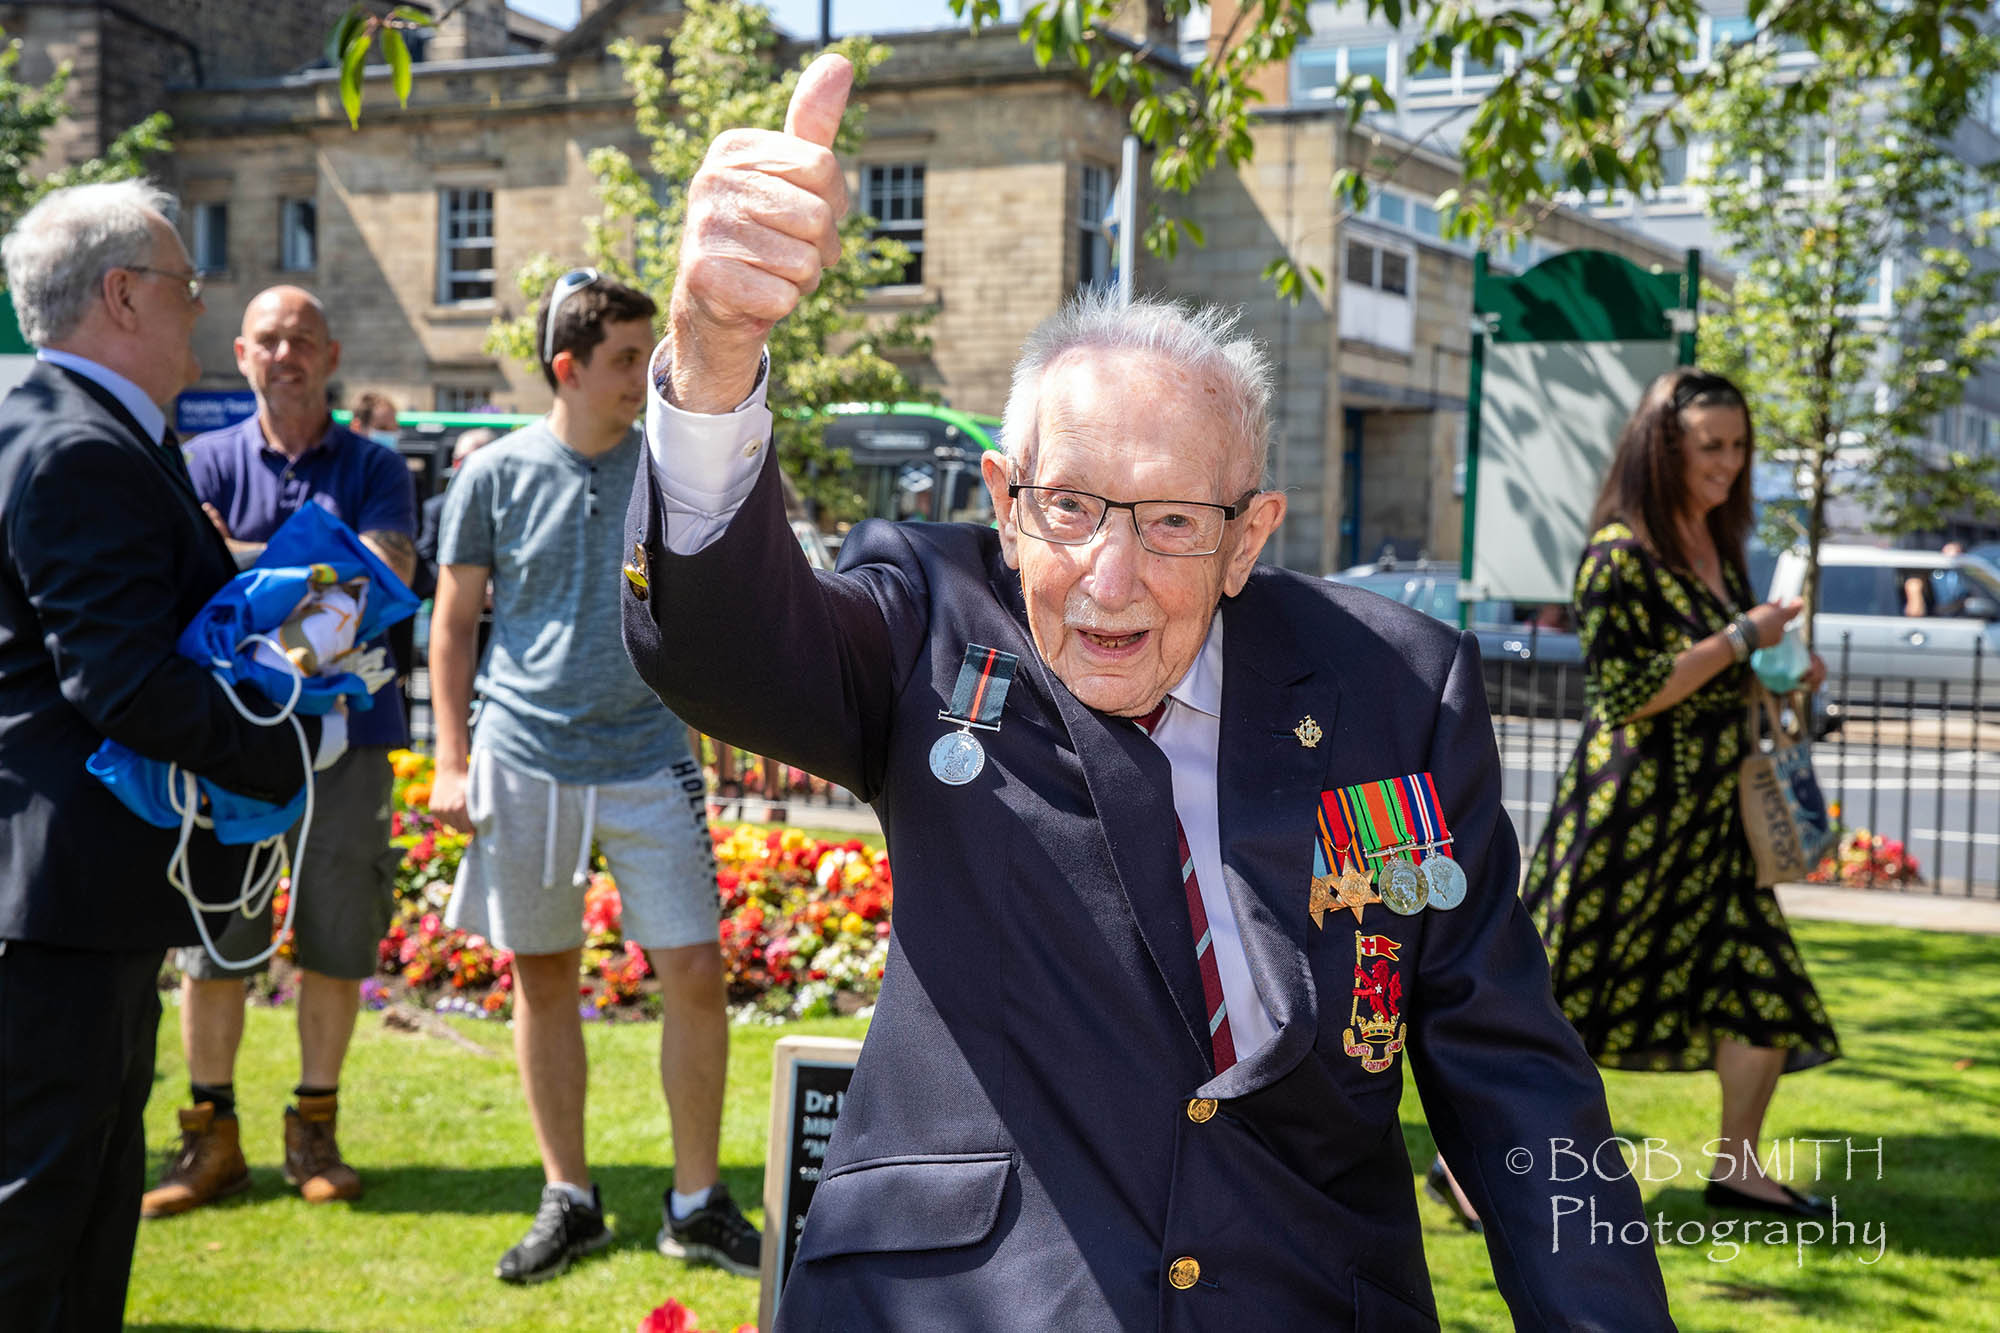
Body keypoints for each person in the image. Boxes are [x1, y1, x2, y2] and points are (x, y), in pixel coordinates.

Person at [622, 56, 1675, 1330]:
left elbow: (1511, 1074)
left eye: (1173, 520)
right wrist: (715, 354)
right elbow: (722, 650)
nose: (1108, 577)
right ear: (1006, 504)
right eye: (1068, 507)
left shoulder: (1391, 684)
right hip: (972, 1301)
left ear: (1249, 535)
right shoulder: (929, 619)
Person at [0, 182, 346, 1331]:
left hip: (73, 895)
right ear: (120, 294)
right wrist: (293, 741)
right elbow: (120, 683)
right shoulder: (75, 446)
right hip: (57, 906)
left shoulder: (54, 422)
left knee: (86, 1206)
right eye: (186, 288)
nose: (200, 312)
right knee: (42, 1215)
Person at [427, 271, 760, 1285]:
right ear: (567, 367)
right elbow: (451, 625)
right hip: (522, 753)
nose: (645, 375)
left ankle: (697, 1204)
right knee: (544, 975)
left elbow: (706, 608)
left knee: (695, 972)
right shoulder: (491, 473)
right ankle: (567, 1198)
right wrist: (448, 760)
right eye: (626, 359)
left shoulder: (668, 467)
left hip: (649, 753)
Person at [1519, 368, 1841, 1221]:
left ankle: (1737, 1167)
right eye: (1712, 447)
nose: (1730, 464)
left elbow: (1727, 666)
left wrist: (1781, 665)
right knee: (1557, 1002)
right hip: (1628, 817)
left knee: (1762, 986)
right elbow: (1629, 692)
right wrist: (1742, 637)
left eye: (1740, 447)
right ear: (1663, 448)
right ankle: (1469, 1166)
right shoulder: (1617, 553)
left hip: (1716, 818)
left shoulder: (1721, 547)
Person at [142, 286, 419, 1219]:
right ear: (240, 352)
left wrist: (248, 569)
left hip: (349, 743)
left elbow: (387, 577)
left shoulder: (379, 466)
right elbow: (193, 584)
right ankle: (209, 1138)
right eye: (269, 339)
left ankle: (315, 1127)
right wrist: (319, 572)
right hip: (226, 741)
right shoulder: (197, 460)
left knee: (337, 940)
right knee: (216, 936)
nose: (286, 353)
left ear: (332, 353)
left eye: (302, 338)